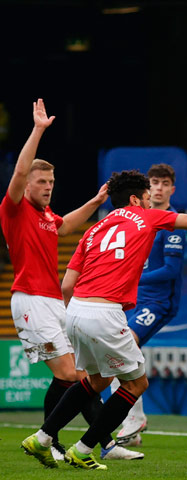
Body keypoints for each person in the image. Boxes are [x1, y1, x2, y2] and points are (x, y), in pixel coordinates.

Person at [21, 169, 187, 470]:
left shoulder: (93, 230)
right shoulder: (148, 217)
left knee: (96, 380)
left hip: (75, 310)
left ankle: (42, 438)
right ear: (135, 199)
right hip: (105, 313)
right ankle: (82, 448)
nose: (149, 201)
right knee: (136, 384)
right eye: (146, 196)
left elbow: (67, 285)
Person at [0, 99, 142, 462]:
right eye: (41, 181)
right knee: (68, 372)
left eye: (51, 181)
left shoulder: (47, 215)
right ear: (27, 183)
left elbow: (66, 226)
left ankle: (86, 443)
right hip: (30, 299)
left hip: (54, 301)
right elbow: (17, 175)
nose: (48, 186)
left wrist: (95, 201)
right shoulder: (13, 208)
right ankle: (53, 441)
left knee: (80, 376)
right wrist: (38, 130)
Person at [113, 163, 185, 446]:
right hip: (132, 299)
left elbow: (171, 270)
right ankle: (131, 428)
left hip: (158, 301)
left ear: (172, 189)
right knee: (117, 349)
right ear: (147, 187)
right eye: (155, 182)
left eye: (165, 183)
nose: (159, 188)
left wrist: (133, 277)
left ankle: (134, 417)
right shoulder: (140, 219)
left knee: (125, 343)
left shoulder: (172, 222)